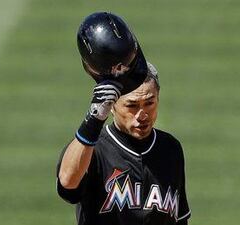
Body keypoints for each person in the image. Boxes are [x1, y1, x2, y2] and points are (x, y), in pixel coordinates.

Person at [56, 12, 191, 225]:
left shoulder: (170, 149)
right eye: (131, 105)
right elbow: (67, 185)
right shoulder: (95, 150)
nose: (142, 115)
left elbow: (180, 218)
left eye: (149, 102)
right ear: (111, 107)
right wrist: (93, 120)